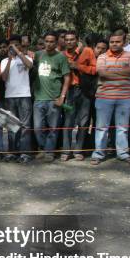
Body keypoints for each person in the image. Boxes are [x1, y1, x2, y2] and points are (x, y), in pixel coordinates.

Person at [91, 30, 130, 165]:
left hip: (125, 96)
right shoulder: (102, 56)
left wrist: (112, 73)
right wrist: (125, 73)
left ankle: (123, 153)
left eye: (117, 42)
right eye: (112, 42)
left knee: (123, 127)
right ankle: (98, 154)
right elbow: (102, 74)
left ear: (124, 43)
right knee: (101, 127)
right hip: (104, 96)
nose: (114, 44)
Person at [32, 32, 71, 162]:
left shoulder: (61, 57)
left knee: (53, 128)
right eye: (46, 41)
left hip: (54, 99)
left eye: (52, 41)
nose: (49, 44)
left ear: (56, 43)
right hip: (38, 98)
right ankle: (43, 148)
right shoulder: (38, 55)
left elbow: (67, 77)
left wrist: (62, 97)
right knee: (37, 128)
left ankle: (49, 152)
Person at [61, 30, 97, 161]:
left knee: (84, 121)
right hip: (69, 92)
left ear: (77, 40)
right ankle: (66, 151)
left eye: (72, 39)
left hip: (84, 91)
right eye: (67, 40)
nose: (69, 42)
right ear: (64, 41)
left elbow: (94, 69)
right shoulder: (62, 55)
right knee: (68, 121)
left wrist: (78, 66)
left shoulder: (87, 51)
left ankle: (78, 150)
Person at [1, 34, 33, 163]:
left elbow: (29, 66)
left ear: (20, 45)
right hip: (10, 96)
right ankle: (12, 152)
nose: (13, 47)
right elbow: (4, 78)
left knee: (25, 126)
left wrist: (18, 52)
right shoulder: (4, 61)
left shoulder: (26, 58)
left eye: (16, 44)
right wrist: (9, 59)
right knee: (12, 125)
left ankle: (24, 153)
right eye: (11, 45)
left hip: (24, 95)